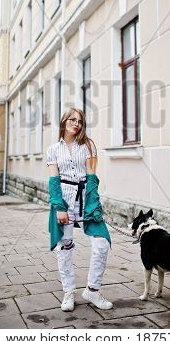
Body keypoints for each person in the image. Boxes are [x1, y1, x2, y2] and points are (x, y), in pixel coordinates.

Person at [46, 107, 113, 312]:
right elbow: (53, 180)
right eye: (72, 120)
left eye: (80, 121)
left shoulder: (88, 146)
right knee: (65, 247)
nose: (77, 123)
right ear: (64, 121)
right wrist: (59, 207)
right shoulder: (53, 149)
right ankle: (68, 292)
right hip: (64, 201)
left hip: (86, 199)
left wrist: (93, 205)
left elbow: (92, 177)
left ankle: (92, 290)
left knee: (101, 243)